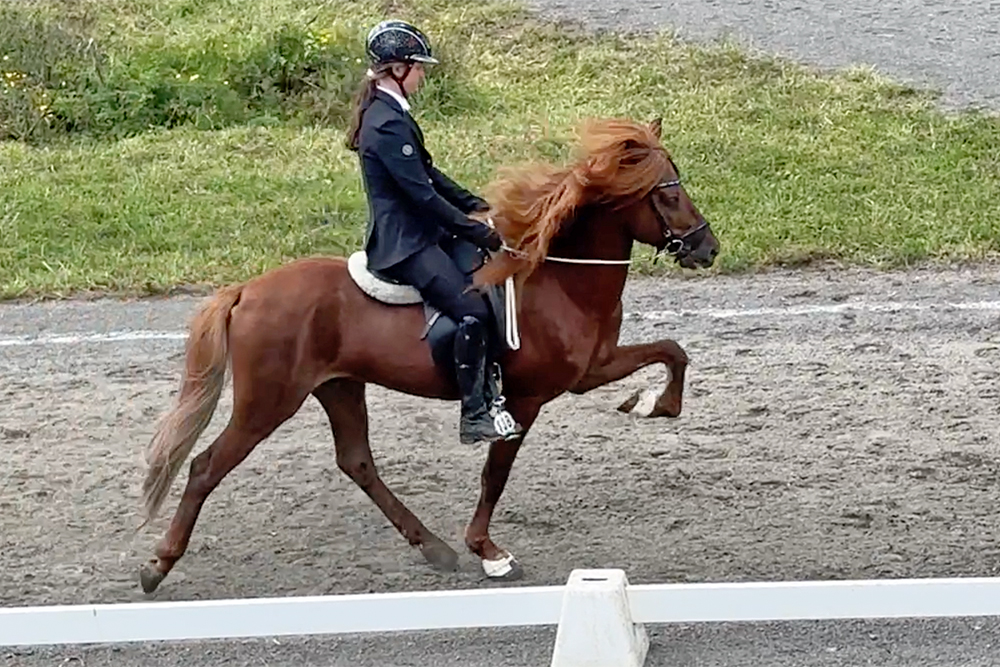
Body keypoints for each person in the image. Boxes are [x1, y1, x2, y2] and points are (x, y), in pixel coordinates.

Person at [345, 19, 523, 445]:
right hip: (406, 243)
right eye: (419, 68)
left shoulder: (392, 114)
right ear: (397, 70)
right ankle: (475, 413)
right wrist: (480, 233)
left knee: (480, 275)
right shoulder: (385, 124)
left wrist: (477, 206)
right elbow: (422, 197)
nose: (423, 75)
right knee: (472, 312)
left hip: (425, 231)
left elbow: (430, 175)